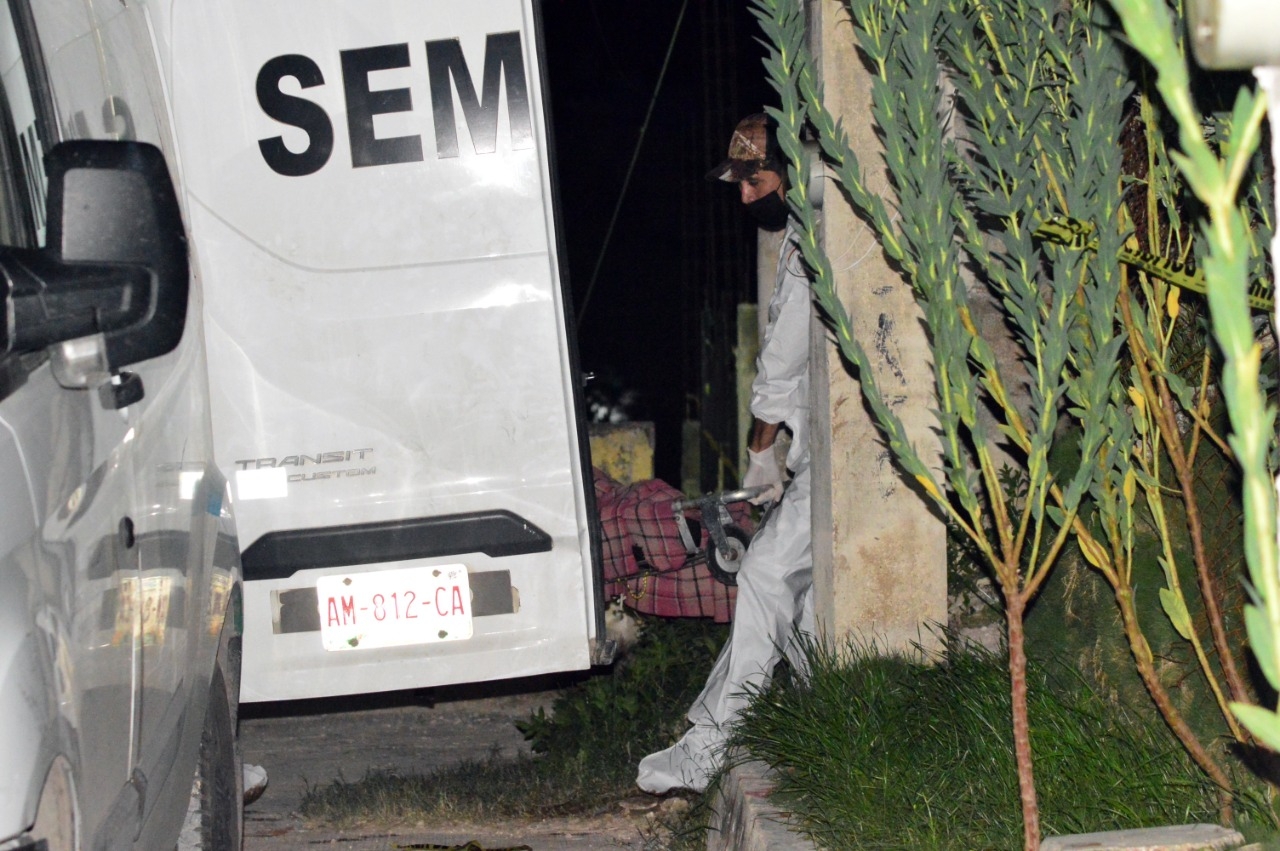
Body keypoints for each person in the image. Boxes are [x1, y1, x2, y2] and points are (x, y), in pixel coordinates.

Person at [636, 113, 816, 794]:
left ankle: (712, 745)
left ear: (789, 172)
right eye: (738, 184)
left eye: (755, 180)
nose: (744, 197)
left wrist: (760, 453)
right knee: (791, 605)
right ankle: (815, 724)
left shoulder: (810, 247)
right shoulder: (802, 234)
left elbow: (781, 362)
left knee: (767, 576)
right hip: (821, 454)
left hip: (838, 457)